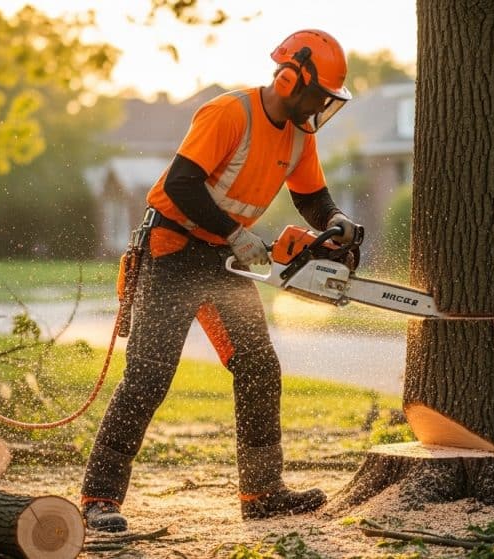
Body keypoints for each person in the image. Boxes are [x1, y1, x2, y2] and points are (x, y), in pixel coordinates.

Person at [80, 29, 362, 533]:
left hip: (222, 257)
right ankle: (99, 496)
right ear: (290, 79)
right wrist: (235, 233)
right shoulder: (230, 113)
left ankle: (262, 492)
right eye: (319, 96)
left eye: (328, 99)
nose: (321, 107)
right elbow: (180, 185)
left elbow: (312, 197)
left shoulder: (301, 134)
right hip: (171, 249)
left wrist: (335, 219)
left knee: (259, 368)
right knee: (148, 376)